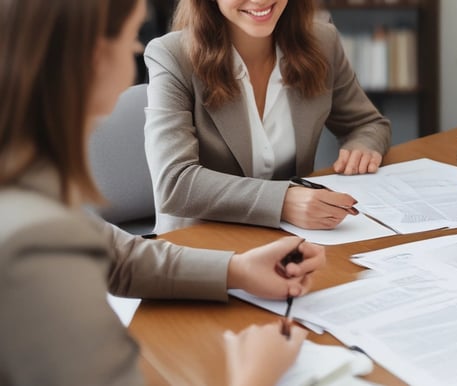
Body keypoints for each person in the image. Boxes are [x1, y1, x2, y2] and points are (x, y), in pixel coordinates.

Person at [0, 0, 325, 384]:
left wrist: (236, 270)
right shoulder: (32, 244)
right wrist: (254, 375)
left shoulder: (28, 181)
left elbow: (116, 256)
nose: (138, 52)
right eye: (130, 39)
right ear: (94, 58)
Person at [144, 0, 392, 233]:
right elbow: (174, 182)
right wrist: (282, 201)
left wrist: (363, 146)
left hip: (292, 239)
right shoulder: (173, 56)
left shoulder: (321, 41)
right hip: (200, 247)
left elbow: (367, 123)